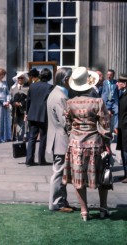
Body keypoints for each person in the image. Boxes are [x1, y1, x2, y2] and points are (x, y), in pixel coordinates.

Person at [63, 67, 112, 221]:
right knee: (102, 175)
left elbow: (67, 125)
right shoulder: (98, 102)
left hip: (76, 144)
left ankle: (84, 211)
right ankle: (103, 207)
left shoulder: (69, 103)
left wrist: (75, 133)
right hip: (95, 144)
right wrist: (107, 144)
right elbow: (105, 126)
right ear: (89, 84)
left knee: (78, 178)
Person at [46, 67, 75, 212]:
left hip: (56, 137)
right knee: (59, 171)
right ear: (65, 79)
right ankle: (56, 203)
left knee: (60, 171)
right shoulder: (60, 96)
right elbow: (65, 121)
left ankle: (61, 201)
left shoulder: (56, 93)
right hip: (61, 138)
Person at [25, 68, 53, 166]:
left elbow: (28, 100)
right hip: (43, 114)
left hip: (32, 113)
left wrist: (27, 113)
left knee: (32, 137)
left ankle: (29, 159)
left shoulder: (32, 86)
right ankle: (41, 159)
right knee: (43, 137)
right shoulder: (50, 87)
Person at [10, 71, 29, 141]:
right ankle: (15, 136)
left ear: (24, 79)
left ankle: (22, 137)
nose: (20, 79)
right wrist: (13, 103)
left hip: (23, 109)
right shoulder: (12, 88)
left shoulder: (27, 88)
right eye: (19, 78)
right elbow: (10, 98)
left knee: (23, 123)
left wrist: (21, 104)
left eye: (21, 78)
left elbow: (28, 99)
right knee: (15, 123)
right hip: (15, 109)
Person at [116, 74, 127, 183]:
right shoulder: (122, 94)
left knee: (126, 152)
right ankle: (125, 174)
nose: (117, 84)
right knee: (123, 152)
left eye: (119, 82)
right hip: (122, 128)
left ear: (124, 84)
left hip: (125, 128)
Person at [101, 69, 119, 135]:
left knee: (117, 111)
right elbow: (101, 91)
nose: (109, 76)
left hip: (114, 101)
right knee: (105, 115)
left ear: (113, 75)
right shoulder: (104, 82)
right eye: (108, 75)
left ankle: (115, 128)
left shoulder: (116, 83)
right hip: (106, 101)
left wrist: (118, 86)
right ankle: (105, 129)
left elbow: (119, 92)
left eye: (110, 75)